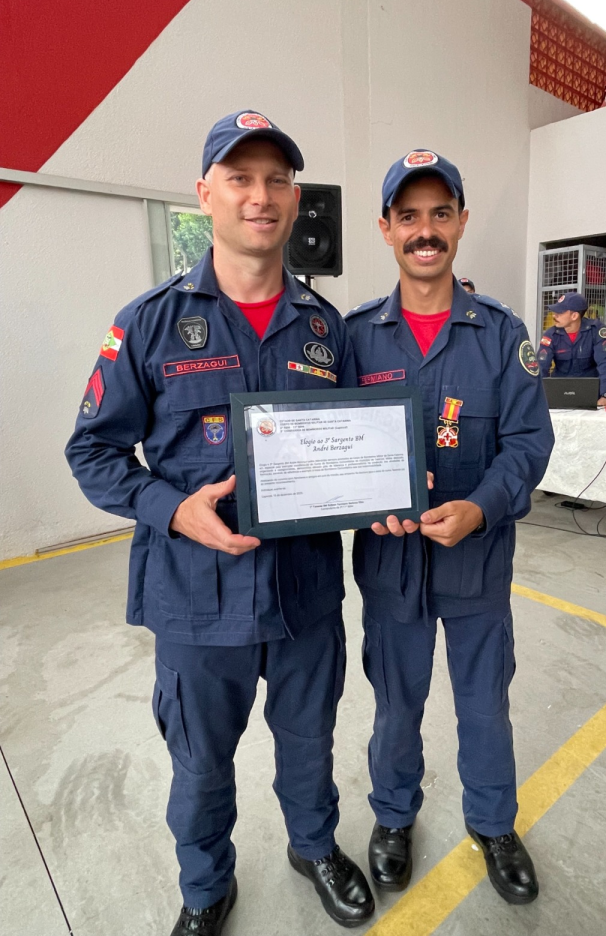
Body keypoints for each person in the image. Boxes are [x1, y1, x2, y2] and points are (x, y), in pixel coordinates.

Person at [65, 110, 374, 936]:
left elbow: (353, 446)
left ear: (296, 197)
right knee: (200, 764)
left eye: (276, 180)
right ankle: (205, 888)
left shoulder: (326, 329)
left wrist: (384, 489)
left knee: (309, 741)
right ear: (205, 194)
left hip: (305, 595)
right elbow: (91, 451)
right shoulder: (148, 323)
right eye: (240, 178)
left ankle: (313, 847)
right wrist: (172, 510)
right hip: (197, 603)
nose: (259, 196)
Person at [345, 149, 554, 905]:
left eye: (439, 213)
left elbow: (529, 443)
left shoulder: (501, 333)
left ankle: (493, 824)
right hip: (390, 564)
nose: (424, 231)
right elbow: (329, 443)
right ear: (386, 228)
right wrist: (359, 499)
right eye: (409, 216)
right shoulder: (355, 337)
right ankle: (393, 817)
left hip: (477, 564)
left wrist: (481, 508)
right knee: (395, 706)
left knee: (484, 705)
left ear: (461, 222)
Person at [538, 292, 606, 406]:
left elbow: (605, 364)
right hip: (559, 393)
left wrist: (605, 395)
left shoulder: (595, 331)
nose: (554, 316)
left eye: (560, 312)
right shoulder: (551, 335)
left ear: (574, 316)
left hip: (589, 394)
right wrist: (537, 398)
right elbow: (541, 367)